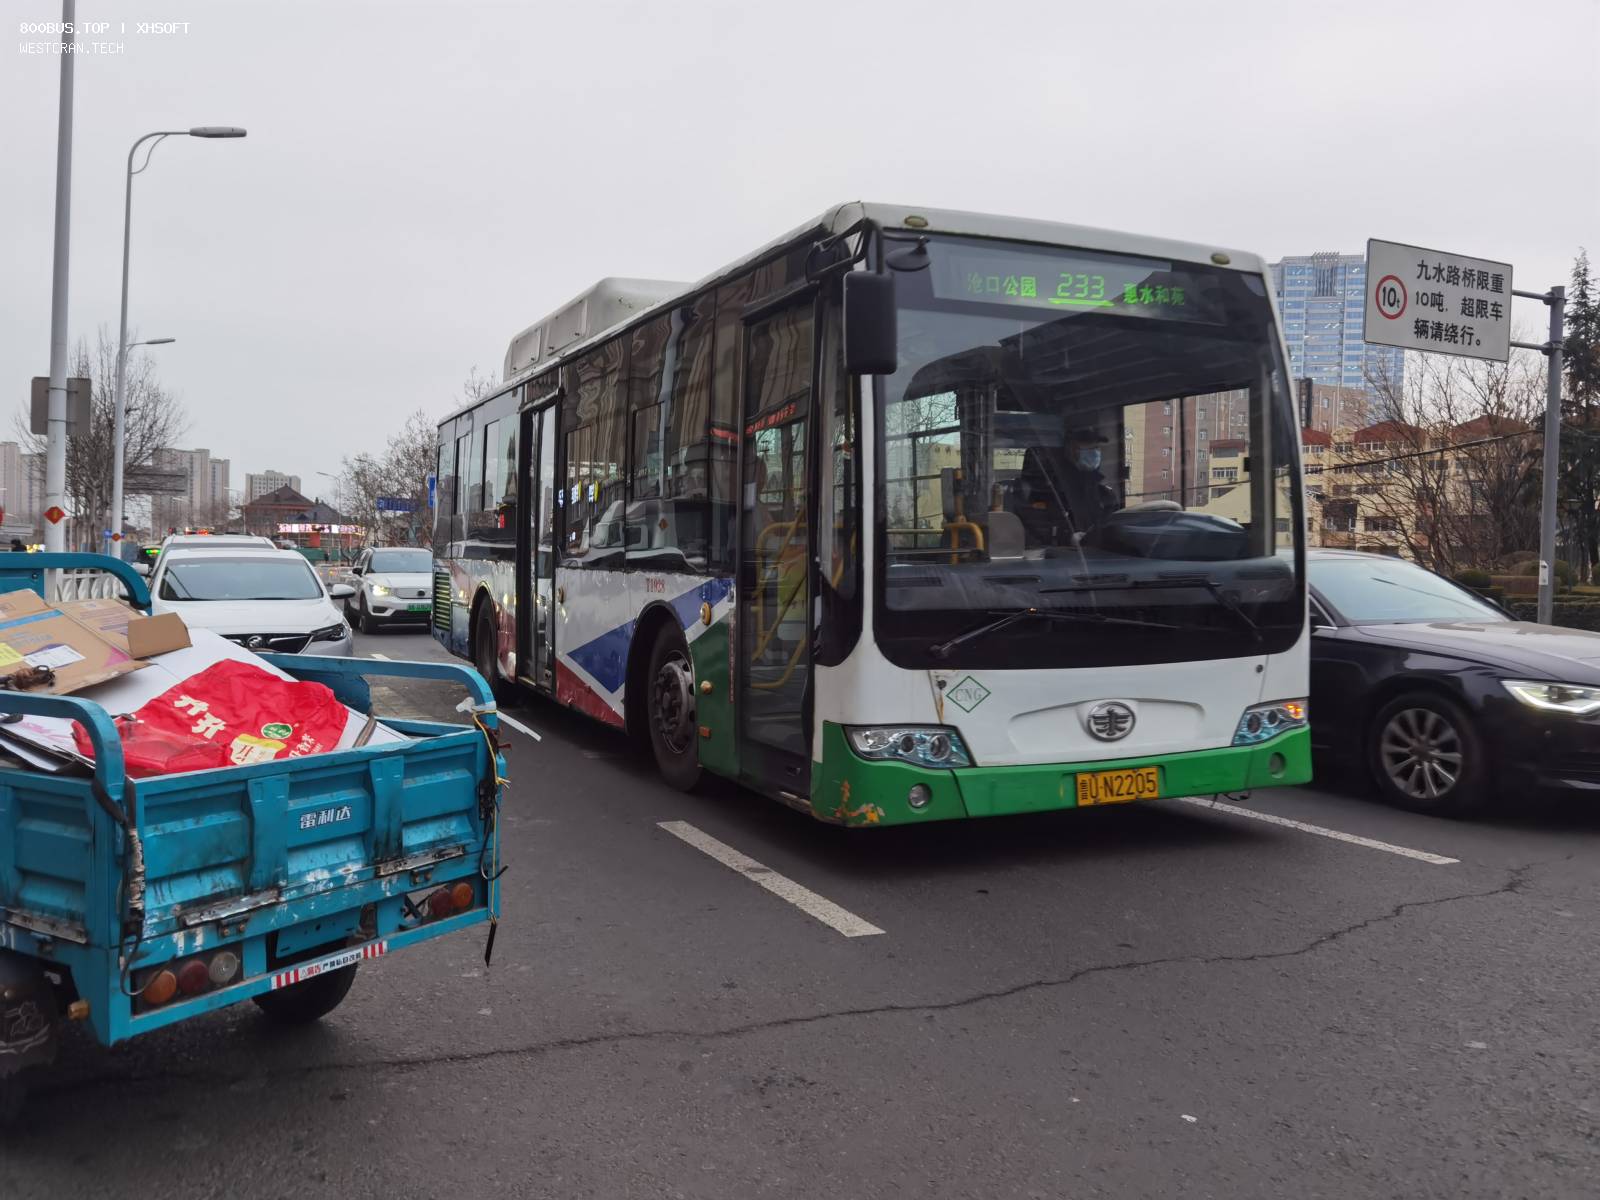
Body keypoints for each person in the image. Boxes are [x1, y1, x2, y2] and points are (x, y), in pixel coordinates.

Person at [1016, 423, 1117, 546]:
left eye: (1096, 447)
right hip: (1061, 559)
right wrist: (1067, 537)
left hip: (1098, 558)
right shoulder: (1048, 487)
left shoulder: (1104, 493)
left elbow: (1111, 524)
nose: (1094, 453)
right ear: (1070, 448)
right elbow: (1033, 525)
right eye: (1087, 447)